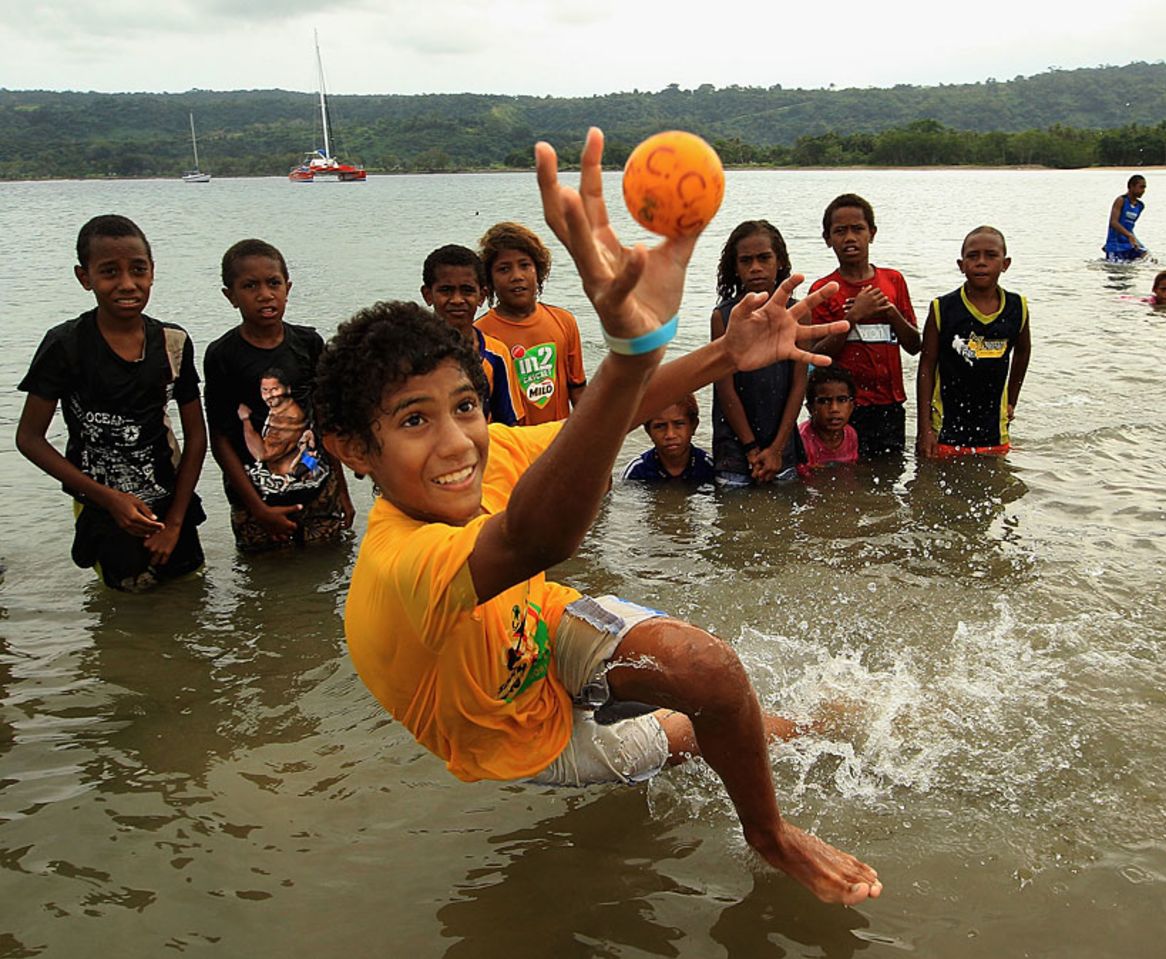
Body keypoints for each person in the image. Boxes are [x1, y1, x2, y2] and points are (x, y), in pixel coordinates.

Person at [313, 128, 881, 906]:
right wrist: (628, 346)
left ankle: (782, 798)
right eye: (415, 421)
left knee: (711, 674)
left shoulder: (488, 451)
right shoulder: (397, 563)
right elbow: (538, 536)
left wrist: (723, 353)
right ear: (351, 447)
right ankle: (750, 800)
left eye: (466, 406)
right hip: (521, 738)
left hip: (542, 626)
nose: (458, 443)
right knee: (680, 736)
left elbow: (603, 423)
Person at [15, 214, 206, 592]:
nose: (127, 284)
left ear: (152, 271)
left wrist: (177, 522)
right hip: (103, 510)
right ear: (84, 278)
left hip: (171, 503)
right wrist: (109, 499)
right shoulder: (66, 345)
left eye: (138, 270)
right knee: (127, 606)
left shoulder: (172, 342)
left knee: (190, 597)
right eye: (109, 272)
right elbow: (29, 439)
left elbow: (196, 436)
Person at [203, 239, 354, 552]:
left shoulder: (308, 344)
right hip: (257, 502)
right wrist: (256, 508)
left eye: (273, 283)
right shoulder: (222, 355)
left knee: (324, 585)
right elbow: (220, 438)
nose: (265, 294)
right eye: (250, 286)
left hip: (318, 496)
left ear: (288, 287)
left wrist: (342, 490)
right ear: (230, 296)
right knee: (263, 584)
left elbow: (324, 421)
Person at [807, 194, 921, 456]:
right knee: (846, 478)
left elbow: (915, 345)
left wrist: (891, 313)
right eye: (840, 231)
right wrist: (853, 317)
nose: (850, 238)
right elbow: (817, 355)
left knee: (889, 476)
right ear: (827, 239)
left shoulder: (894, 281)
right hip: (844, 409)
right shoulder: (824, 290)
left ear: (872, 233)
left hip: (890, 404)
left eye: (857, 229)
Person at [916, 226, 1032, 459]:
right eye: (973, 256)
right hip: (946, 430)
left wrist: (1011, 400)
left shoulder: (1017, 307)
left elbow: (1022, 354)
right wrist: (924, 428)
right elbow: (926, 366)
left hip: (995, 430)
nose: (981, 262)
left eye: (991, 255)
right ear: (961, 265)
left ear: (1005, 263)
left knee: (997, 483)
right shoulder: (943, 308)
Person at [709, 220, 806, 485]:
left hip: (782, 445)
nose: (755, 268)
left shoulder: (797, 313)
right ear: (735, 268)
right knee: (733, 523)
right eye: (746, 261)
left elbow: (799, 385)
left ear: (780, 262)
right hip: (733, 447)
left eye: (764, 258)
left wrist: (775, 449)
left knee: (783, 521)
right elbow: (725, 388)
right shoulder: (723, 317)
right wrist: (751, 447)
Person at [474, 222, 586, 425]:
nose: (517, 276)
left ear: (538, 270)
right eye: (504, 269)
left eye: (524, 265)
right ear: (489, 280)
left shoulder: (563, 321)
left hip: (559, 444)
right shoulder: (480, 334)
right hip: (512, 449)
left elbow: (578, 390)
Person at [421, 244, 525, 427]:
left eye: (467, 290)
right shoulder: (412, 353)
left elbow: (509, 424)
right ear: (428, 295)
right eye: (446, 290)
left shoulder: (496, 354)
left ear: (482, 296)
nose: (457, 300)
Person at [621, 393, 715, 483]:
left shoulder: (710, 467)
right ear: (648, 431)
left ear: (693, 426)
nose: (670, 435)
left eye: (678, 424)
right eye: (660, 426)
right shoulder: (637, 471)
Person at [798, 367, 859, 477]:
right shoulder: (803, 440)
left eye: (842, 400)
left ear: (851, 406)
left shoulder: (850, 434)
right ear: (810, 408)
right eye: (824, 401)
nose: (834, 408)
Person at [1103, 175, 1148, 262]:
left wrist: (1134, 240)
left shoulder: (1140, 206)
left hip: (1129, 243)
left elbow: (1129, 226)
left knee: (1147, 257)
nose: (1143, 191)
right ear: (1131, 186)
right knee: (1117, 270)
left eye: (1144, 188)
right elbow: (1113, 222)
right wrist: (1129, 235)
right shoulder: (1121, 200)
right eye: (1141, 187)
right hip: (1115, 244)